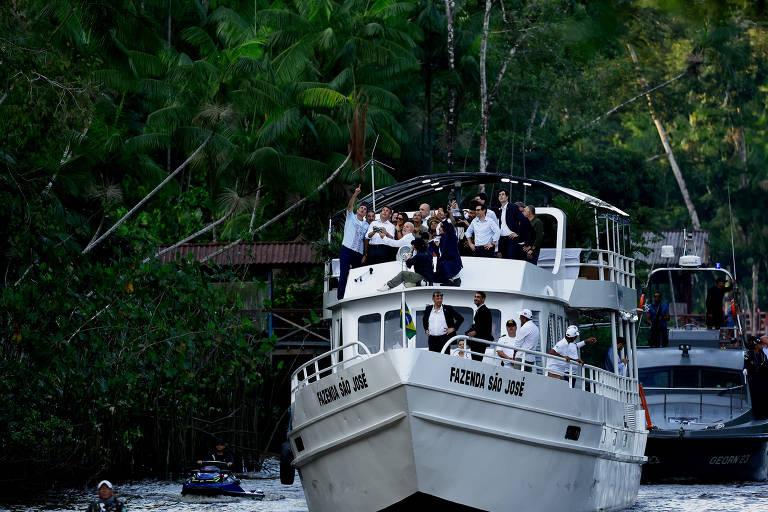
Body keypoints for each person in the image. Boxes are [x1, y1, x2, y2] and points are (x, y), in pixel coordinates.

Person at [338, 185, 368, 300]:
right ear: (358, 209)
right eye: (361, 208)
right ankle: (341, 297)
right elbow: (349, 206)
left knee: (356, 274)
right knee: (344, 273)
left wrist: (364, 254)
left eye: (365, 209)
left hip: (358, 252)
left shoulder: (366, 225)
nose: (363, 210)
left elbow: (366, 240)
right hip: (347, 249)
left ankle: (355, 296)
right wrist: (355, 194)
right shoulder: (351, 217)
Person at [495, 190, 530, 260]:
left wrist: (517, 233)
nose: (501, 196)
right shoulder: (500, 209)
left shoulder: (513, 207)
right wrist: (499, 249)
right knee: (503, 262)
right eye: (499, 195)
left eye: (503, 194)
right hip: (502, 239)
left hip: (511, 239)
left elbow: (524, 220)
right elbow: (501, 227)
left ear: (507, 197)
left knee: (511, 261)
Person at [434, 201, 463, 286]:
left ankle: (450, 280)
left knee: (443, 262)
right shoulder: (441, 238)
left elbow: (449, 226)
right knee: (433, 276)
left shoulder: (451, 236)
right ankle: (456, 280)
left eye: (441, 228)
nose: (439, 229)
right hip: (445, 267)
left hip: (453, 264)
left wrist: (445, 217)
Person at [744, 336, 768, 420]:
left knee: (764, 396)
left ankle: (764, 413)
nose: (761, 345)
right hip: (754, 379)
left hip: (763, 378)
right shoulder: (749, 354)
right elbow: (746, 362)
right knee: (756, 398)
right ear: (756, 345)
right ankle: (758, 415)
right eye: (759, 344)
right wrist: (745, 368)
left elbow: (766, 364)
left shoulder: (762, 354)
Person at [465, 291, 493, 361]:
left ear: (483, 299)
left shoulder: (484, 310)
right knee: (475, 361)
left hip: (479, 342)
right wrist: (469, 331)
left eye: (478, 297)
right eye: (475, 297)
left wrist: (475, 332)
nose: (475, 298)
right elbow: (477, 325)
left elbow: (484, 325)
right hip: (477, 342)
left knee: (477, 361)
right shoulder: (480, 310)